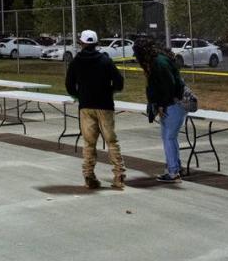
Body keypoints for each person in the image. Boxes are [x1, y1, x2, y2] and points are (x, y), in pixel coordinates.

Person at [65, 29, 126, 190]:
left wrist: (79, 95)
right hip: (105, 105)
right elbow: (119, 83)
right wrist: (110, 90)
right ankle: (119, 175)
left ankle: (89, 176)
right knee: (111, 141)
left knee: (89, 143)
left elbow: (69, 86)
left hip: (86, 106)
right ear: (96, 43)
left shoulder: (76, 62)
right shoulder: (105, 61)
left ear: (81, 43)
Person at [134, 38, 188, 183]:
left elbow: (168, 85)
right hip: (173, 104)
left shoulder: (159, 63)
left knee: (168, 138)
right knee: (170, 138)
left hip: (172, 104)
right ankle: (175, 167)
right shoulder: (159, 60)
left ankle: (173, 172)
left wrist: (161, 104)